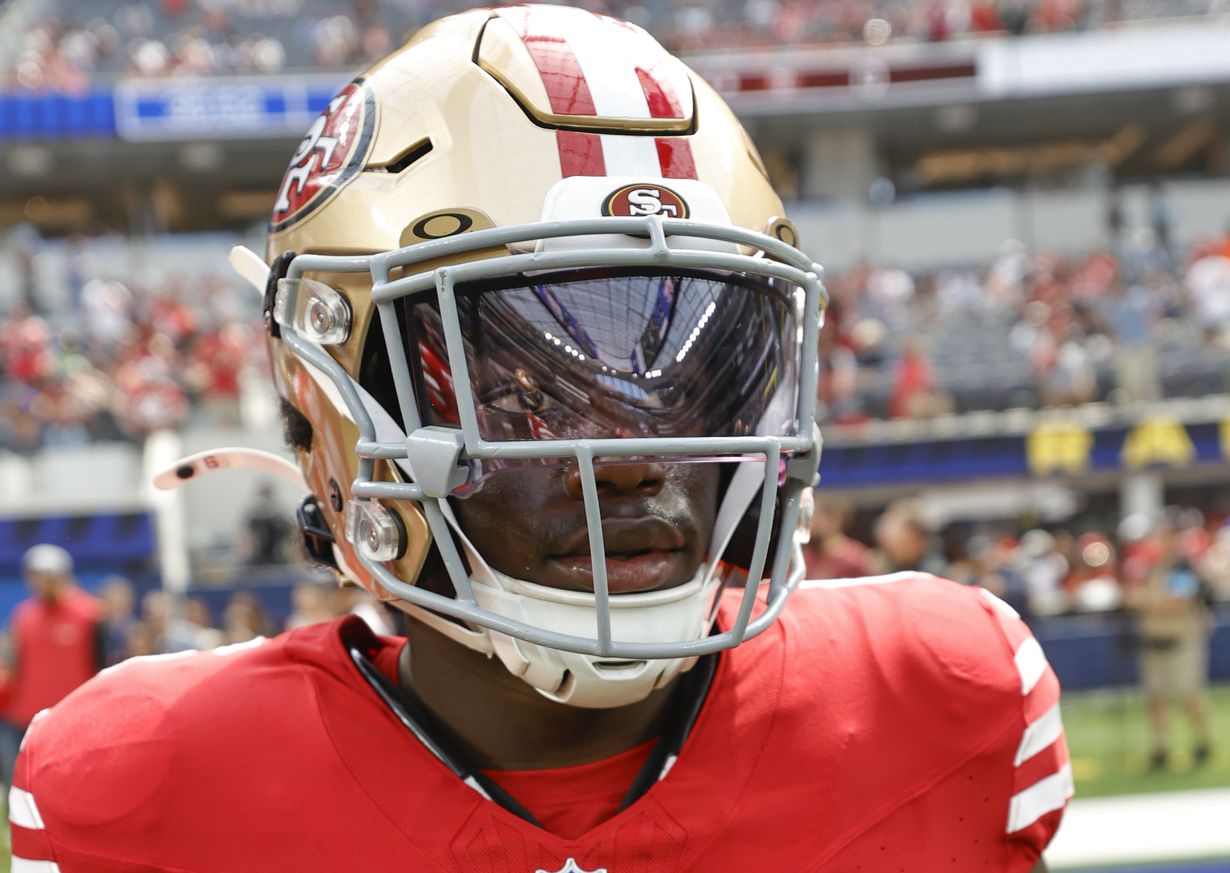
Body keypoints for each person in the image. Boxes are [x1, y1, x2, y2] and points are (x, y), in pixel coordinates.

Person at [9, 7, 1069, 870]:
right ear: (340, 408)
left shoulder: (943, 697)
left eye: (693, 377)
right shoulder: (148, 787)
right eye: (523, 398)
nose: (636, 456)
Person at [0, 545, 103, 786]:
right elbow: (14, 664)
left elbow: (101, 664)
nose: (39, 582)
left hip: (74, 718)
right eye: (34, 576)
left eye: (45, 575)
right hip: (25, 719)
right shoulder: (23, 616)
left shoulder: (90, 614)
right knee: (25, 787)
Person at [1125, 524, 1214, 771]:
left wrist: (1145, 600)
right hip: (1153, 640)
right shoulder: (1148, 569)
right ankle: (1161, 747)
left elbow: (1177, 601)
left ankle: (1201, 741)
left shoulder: (1182, 567)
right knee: (1154, 696)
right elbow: (1129, 597)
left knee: (1188, 693)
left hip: (1181, 640)